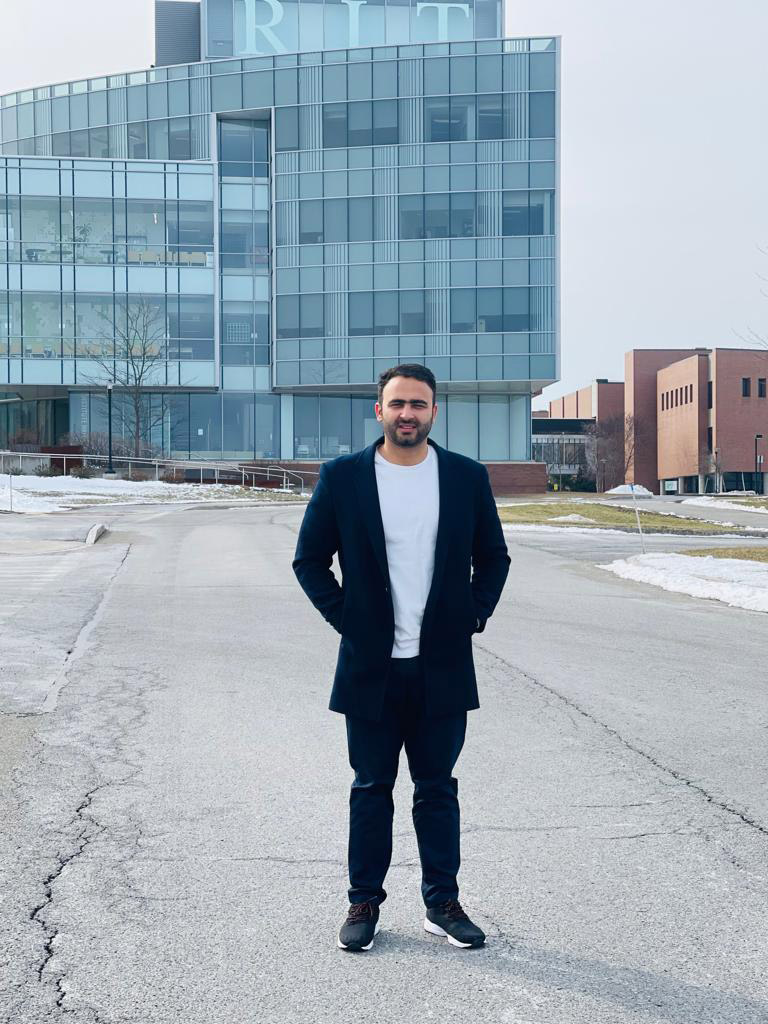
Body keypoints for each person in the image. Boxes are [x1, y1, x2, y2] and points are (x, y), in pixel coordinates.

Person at [292, 364, 510, 952]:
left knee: (437, 789)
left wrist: (473, 614)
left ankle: (442, 903)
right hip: (371, 668)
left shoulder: (465, 477)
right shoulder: (343, 477)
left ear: (434, 411)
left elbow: (494, 558)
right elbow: (309, 560)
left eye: (418, 404)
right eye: (397, 404)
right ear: (379, 411)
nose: (407, 414)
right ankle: (363, 903)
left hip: (441, 666)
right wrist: (350, 621)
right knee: (371, 787)